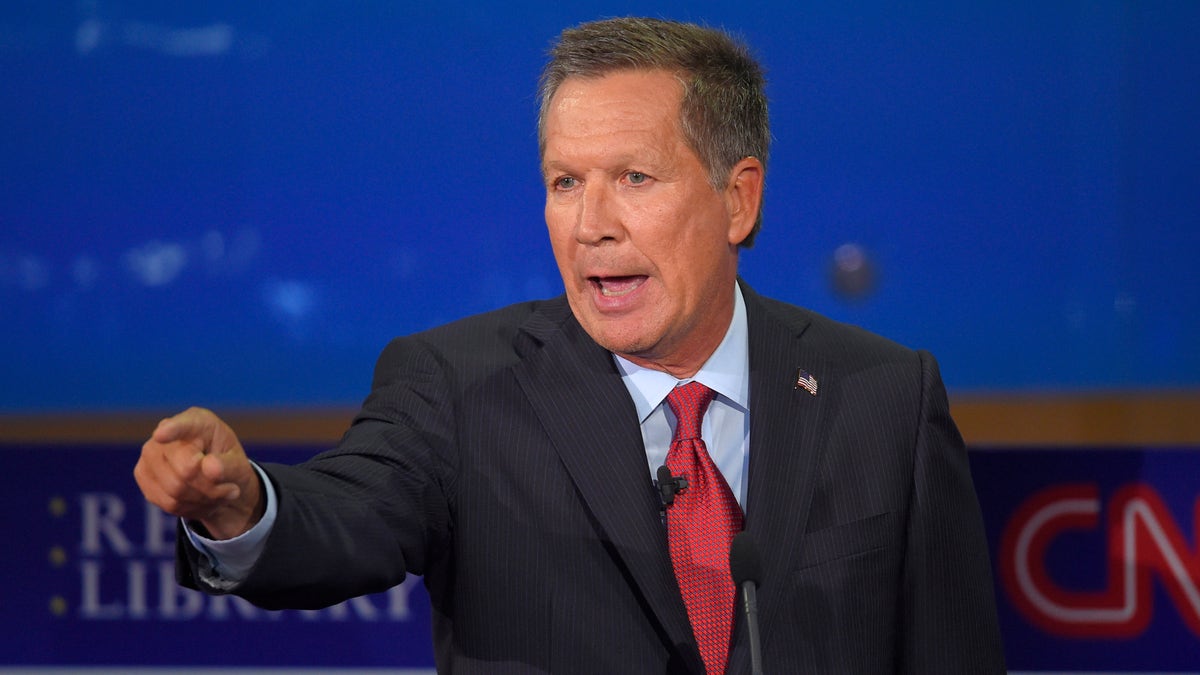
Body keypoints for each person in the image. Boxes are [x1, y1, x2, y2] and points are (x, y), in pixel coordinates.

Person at [135, 17, 1006, 674]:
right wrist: (242, 503)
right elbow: (346, 517)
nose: (591, 225)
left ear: (737, 201)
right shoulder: (458, 387)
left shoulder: (885, 397)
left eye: (634, 178)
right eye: (564, 183)